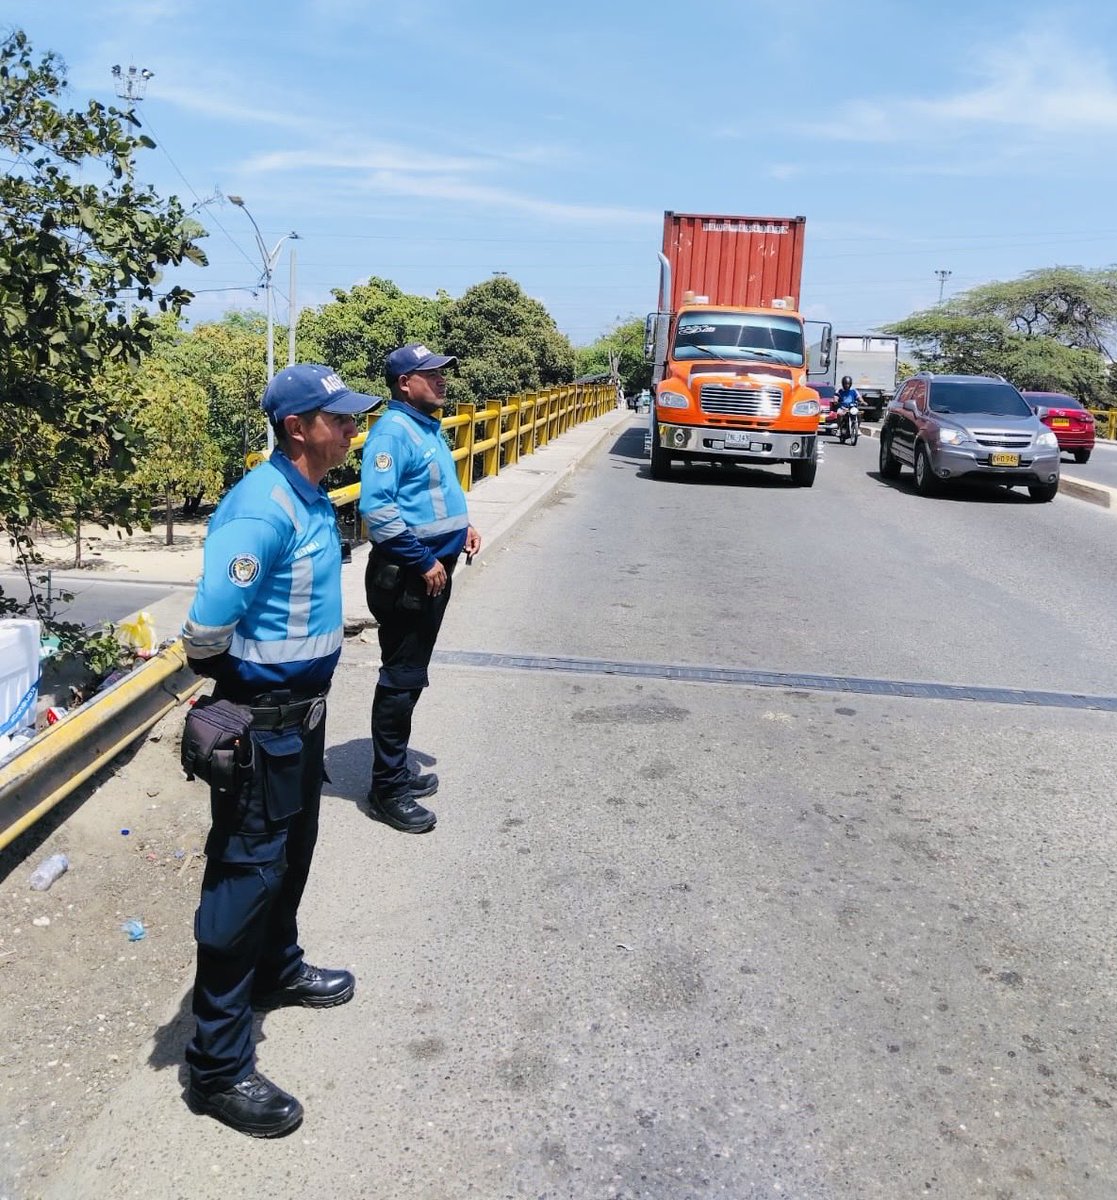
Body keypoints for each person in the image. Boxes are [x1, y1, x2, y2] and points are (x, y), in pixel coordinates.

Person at [181, 363, 380, 1138]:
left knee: (292, 855)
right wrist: (244, 691)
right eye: (339, 419)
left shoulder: (310, 496)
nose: (352, 428)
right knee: (245, 879)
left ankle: (277, 968)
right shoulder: (260, 508)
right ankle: (217, 1066)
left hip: (302, 720)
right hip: (263, 724)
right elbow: (205, 630)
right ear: (297, 428)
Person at [359, 343, 481, 834]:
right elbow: (378, 510)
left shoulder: (425, 426)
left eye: (442, 372)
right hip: (408, 575)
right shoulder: (392, 432)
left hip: (430, 568)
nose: (441, 379)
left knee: (411, 674)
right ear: (405, 384)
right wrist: (424, 558)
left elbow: (431, 494)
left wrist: (463, 527)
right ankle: (387, 788)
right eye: (430, 374)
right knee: (401, 678)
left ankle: (396, 768)